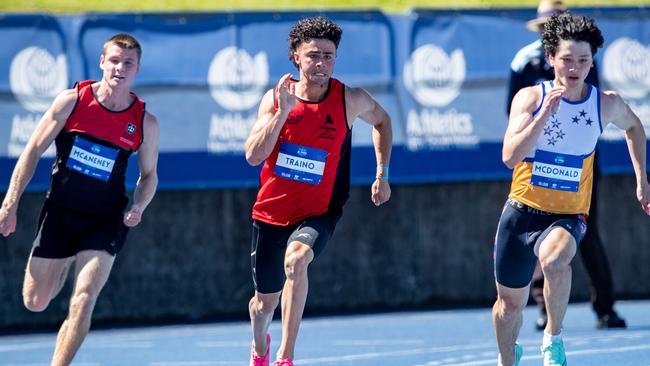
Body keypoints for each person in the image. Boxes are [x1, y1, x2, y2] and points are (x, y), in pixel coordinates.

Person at [493, 11, 649, 366]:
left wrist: (642, 179)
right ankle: (508, 358)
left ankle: (553, 338)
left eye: (583, 60)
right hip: (521, 212)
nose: (574, 68)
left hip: (568, 214)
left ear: (592, 61)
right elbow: (508, 157)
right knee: (508, 307)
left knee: (555, 260)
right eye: (566, 60)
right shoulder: (530, 99)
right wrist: (541, 119)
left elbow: (635, 128)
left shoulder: (604, 103)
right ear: (550, 59)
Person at [0, 33, 159, 366]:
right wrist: (10, 203)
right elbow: (32, 151)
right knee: (35, 301)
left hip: (105, 220)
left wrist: (138, 206)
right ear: (102, 62)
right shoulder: (72, 101)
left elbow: (149, 177)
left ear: (137, 70)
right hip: (60, 213)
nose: (120, 68)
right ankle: (62, 263)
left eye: (128, 63)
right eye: (114, 60)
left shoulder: (144, 122)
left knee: (83, 300)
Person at [244, 16, 392, 366]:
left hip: (319, 212)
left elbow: (384, 122)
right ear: (296, 57)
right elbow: (253, 156)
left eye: (328, 55)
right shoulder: (276, 99)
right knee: (262, 306)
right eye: (313, 55)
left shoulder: (349, 99)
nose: (321, 63)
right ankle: (260, 346)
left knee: (297, 261)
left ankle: (286, 356)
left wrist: (381, 173)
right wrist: (281, 114)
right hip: (270, 214)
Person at [506, 0, 626, 331]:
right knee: (532, 231)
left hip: (579, 161)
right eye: (547, 24)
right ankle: (544, 307)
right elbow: (513, 115)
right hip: (535, 160)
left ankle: (605, 306)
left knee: (586, 230)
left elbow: (595, 104)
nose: (572, 65)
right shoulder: (524, 62)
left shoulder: (582, 54)